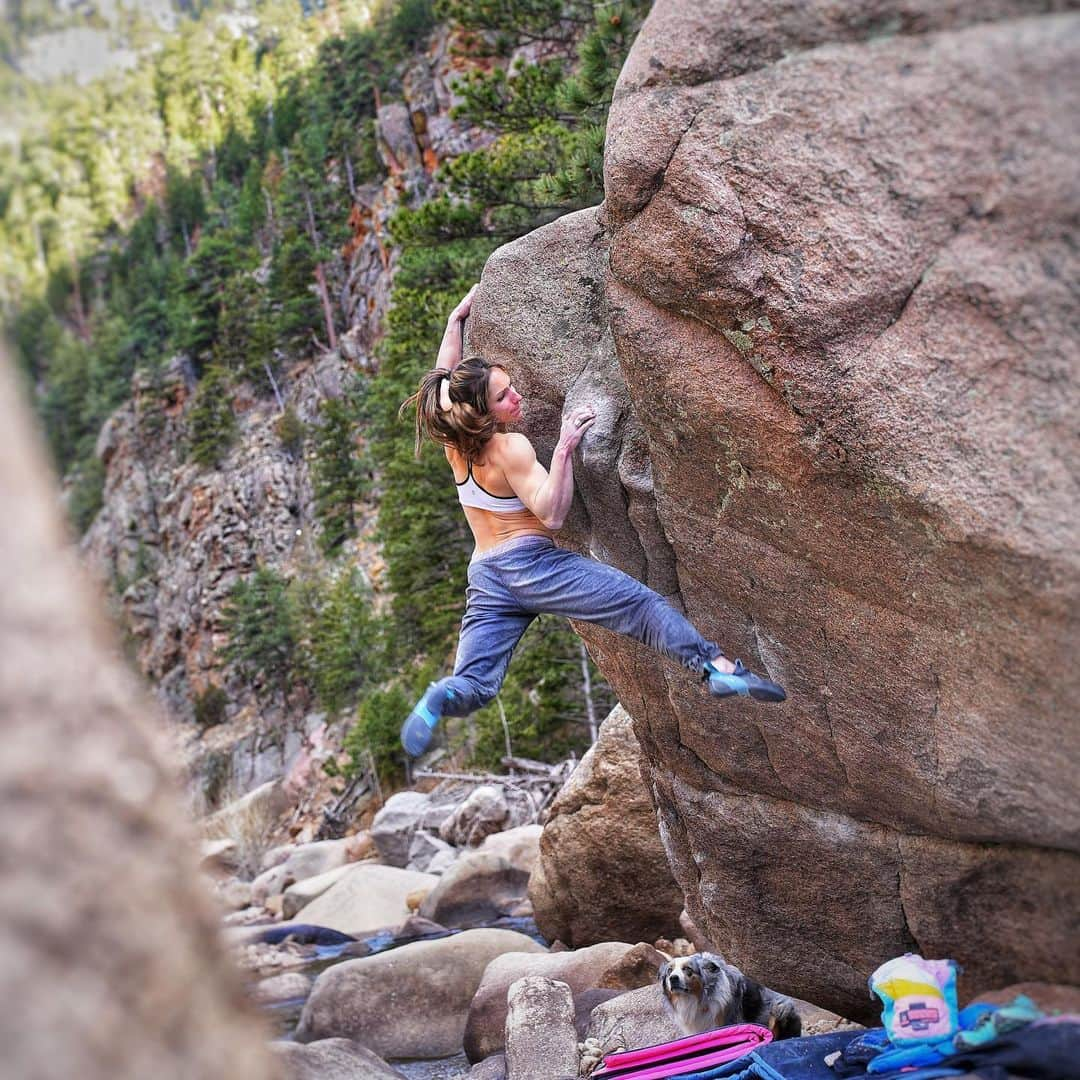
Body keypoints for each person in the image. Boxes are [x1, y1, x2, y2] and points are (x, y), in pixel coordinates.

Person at [398, 285, 786, 756]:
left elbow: (442, 378)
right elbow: (552, 513)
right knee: (641, 608)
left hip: (486, 577)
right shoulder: (510, 449)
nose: (516, 397)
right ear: (482, 413)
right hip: (531, 565)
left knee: (476, 685)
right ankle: (718, 669)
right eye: (504, 397)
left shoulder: (454, 443)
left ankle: (444, 694)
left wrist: (456, 318)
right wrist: (563, 448)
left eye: (511, 386)